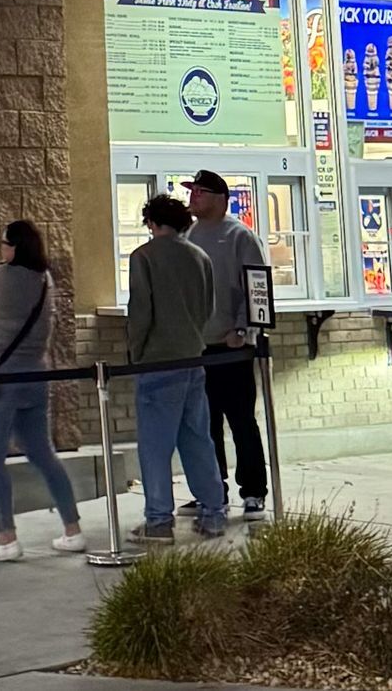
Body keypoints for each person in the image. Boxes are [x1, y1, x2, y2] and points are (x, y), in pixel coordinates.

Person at [0, 220, 86, 563]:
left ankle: (6, 537)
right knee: (43, 453)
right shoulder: (45, 279)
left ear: (13, 247)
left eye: (3, 242)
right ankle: (72, 529)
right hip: (36, 374)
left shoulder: (1, 275)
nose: (1, 248)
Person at [126, 193, 226, 542]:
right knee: (198, 440)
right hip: (193, 359)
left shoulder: (144, 257)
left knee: (155, 448)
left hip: (157, 361)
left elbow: (141, 312)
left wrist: (135, 354)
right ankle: (214, 513)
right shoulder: (200, 257)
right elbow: (208, 308)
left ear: (152, 223)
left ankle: (159, 521)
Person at [184, 171, 270, 517]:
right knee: (205, 424)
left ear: (219, 198)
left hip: (231, 347)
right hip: (196, 347)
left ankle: (253, 490)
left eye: (199, 193)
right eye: (191, 192)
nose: (192, 198)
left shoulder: (240, 236)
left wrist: (243, 329)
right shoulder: (187, 235)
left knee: (241, 421)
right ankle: (210, 489)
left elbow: (256, 285)